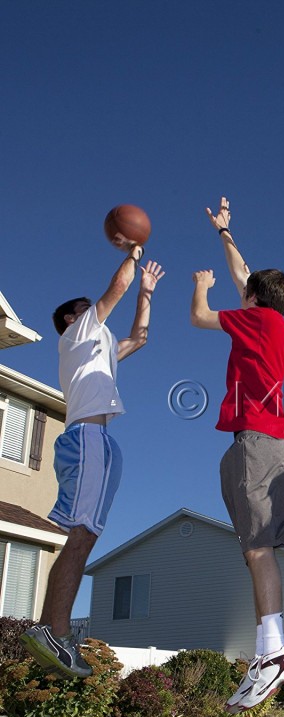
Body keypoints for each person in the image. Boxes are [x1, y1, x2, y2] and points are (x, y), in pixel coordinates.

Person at [21, 245, 165, 679]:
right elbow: (114, 287)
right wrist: (132, 252)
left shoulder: (98, 347)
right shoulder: (77, 335)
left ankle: (52, 631)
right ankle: (53, 630)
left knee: (86, 536)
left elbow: (139, 338)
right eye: (84, 308)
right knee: (82, 536)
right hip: (87, 438)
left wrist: (147, 292)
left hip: (98, 440)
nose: (92, 310)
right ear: (71, 319)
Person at [191, 197, 284, 712]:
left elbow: (199, 318)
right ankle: (269, 648)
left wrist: (201, 286)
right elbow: (246, 277)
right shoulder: (274, 323)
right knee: (257, 548)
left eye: (246, 291)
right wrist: (226, 233)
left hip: (256, 444)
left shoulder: (252, 321)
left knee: (257, 548)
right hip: (270, 446)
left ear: (254, 298)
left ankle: (274, 650)